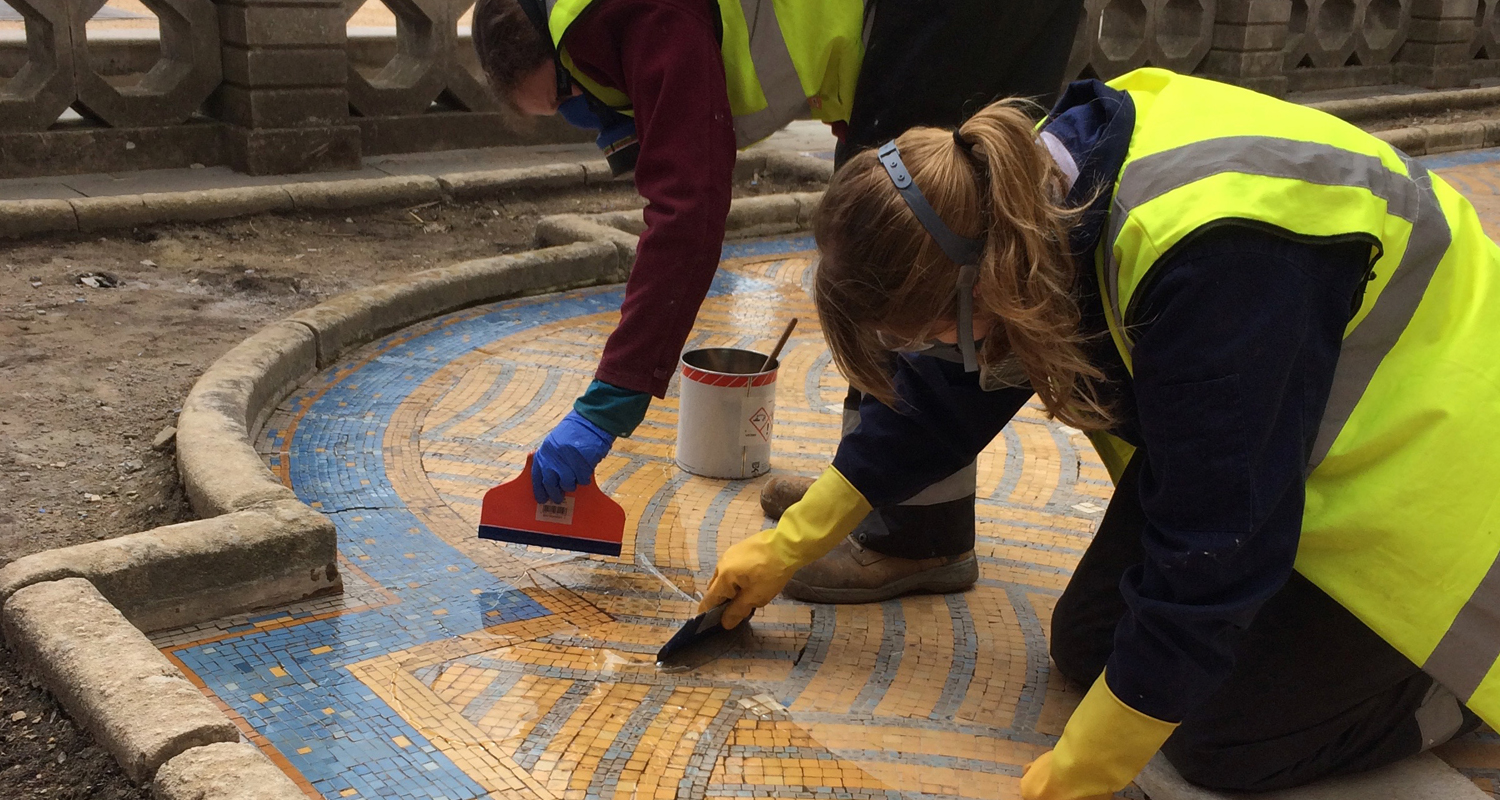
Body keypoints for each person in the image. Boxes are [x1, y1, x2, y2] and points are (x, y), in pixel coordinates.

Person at [699, 67, 1500, 796]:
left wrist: (1089, 769)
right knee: (1092, 648)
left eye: (932, 331)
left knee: (1223, 740)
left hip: (1438, 473)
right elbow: (945, 394)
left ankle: (1443, 688)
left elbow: (1219, 547)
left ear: (980, 282)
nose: (933, 352)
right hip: (1290, 440)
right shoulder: (1021, 198)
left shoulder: (1210, 265)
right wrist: (788, 546)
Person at [471, 0, 1085, 603]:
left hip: (951, 14)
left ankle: (914, 534)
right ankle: (874, 483)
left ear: (562, 48)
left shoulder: (630, 14)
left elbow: (687, 209)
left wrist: (609, 401)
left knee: (905, 259)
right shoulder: (601, 25)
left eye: (567, 99)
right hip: (928, 21)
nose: (588, 118)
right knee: (889, 250)